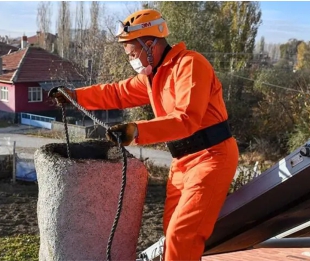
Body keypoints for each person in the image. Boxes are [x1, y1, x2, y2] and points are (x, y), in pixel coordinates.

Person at [49, 9, 239, 261]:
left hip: (211, 158)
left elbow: (187, 119)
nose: (131, 60)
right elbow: (116, 93)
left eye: (132, 53)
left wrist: (136, 130)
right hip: (182, 162)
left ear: (149, 45)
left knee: (181, 235)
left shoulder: (190, 65)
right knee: (172, 233)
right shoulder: (153, 77)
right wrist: (75, 97)